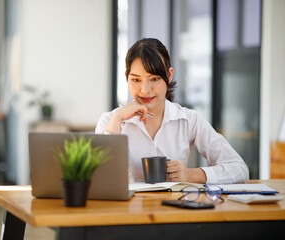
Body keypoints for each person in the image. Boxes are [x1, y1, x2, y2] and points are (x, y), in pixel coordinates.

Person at [95, 38, 249, 184]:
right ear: (126, 77)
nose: (145, 90)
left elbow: (239, 169)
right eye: (136, 80)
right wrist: (118, 118)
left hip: (174, 209)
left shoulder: (189, 120)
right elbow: (99, 179)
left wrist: (191, 175)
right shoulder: (110, 121)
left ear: (169, 76)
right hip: (128, 210)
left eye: (154, 79)